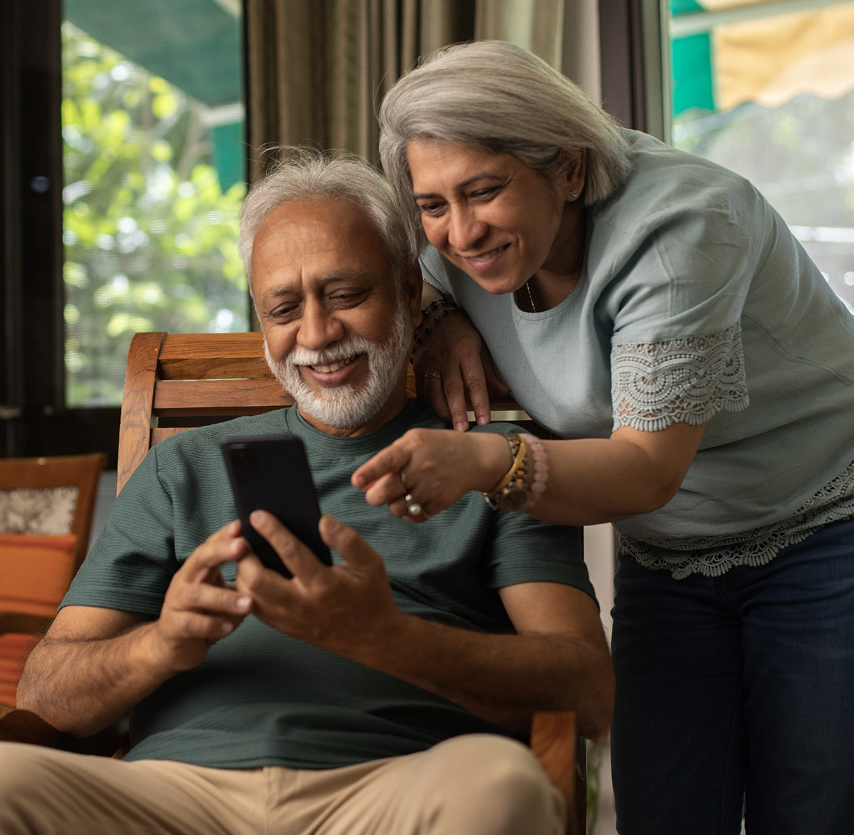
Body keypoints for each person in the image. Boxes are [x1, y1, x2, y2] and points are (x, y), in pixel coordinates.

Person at [0, 151, 612, 835]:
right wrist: (163, 642)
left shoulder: (489, 465)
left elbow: (587, 689)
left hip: (394, 784)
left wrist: (387, 637)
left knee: (502, 787)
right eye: (285, 307)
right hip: (177, 792)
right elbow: (45, 695)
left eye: (347, 294)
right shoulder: (180, 468)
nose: (318, 334)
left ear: (411, 295)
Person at [350, 39, 854, 835]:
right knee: (664, 812)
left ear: (572, 169)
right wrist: (439, 318)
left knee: (814, 811)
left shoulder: (684, 226)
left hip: (824, 523)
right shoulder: (447, 244)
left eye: (484, 191)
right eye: (435, 203)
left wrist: (484, 459)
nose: (462, 230)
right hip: (666, 552)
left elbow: (646, 470)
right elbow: (410, 257)